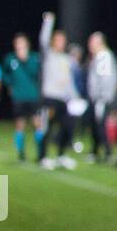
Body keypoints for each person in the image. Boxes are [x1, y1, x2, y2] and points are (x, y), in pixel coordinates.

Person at [38, 12, 79, 169]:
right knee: (47, 127)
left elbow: (69, 81)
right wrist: (48, 22)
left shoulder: (66, 59)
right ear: (53, 41)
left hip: (63, 98)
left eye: (63, 40)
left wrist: (75, 96)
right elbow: (43, 40)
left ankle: (61, 155)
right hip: (50, 97)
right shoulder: (49, 55)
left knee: (67, 126)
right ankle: (43, 157)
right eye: (58, 40)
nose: (61, 43)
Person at [2, 33, 43, 162]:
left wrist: (25, 60)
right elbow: (4, 74)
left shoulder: (34, 58)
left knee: (37, 123)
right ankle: (21, 152)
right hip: (18, 97)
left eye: (22, 43)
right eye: (17, 43)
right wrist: (10, 84)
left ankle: (40, 153)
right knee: (20, 124)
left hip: (33, 95)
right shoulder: (10, 58)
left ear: (27, 45)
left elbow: (37, 74)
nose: (19, 46)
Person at [85, 32, 117, 164]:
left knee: (100, 125)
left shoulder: (103, 56)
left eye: (92, 42)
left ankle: (107, 151)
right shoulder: (99, 56)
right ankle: (96, 150)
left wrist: (102, 97)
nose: (89, 45)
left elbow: (105, 79)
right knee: (96, 124)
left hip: (101, 98)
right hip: (99, 97)